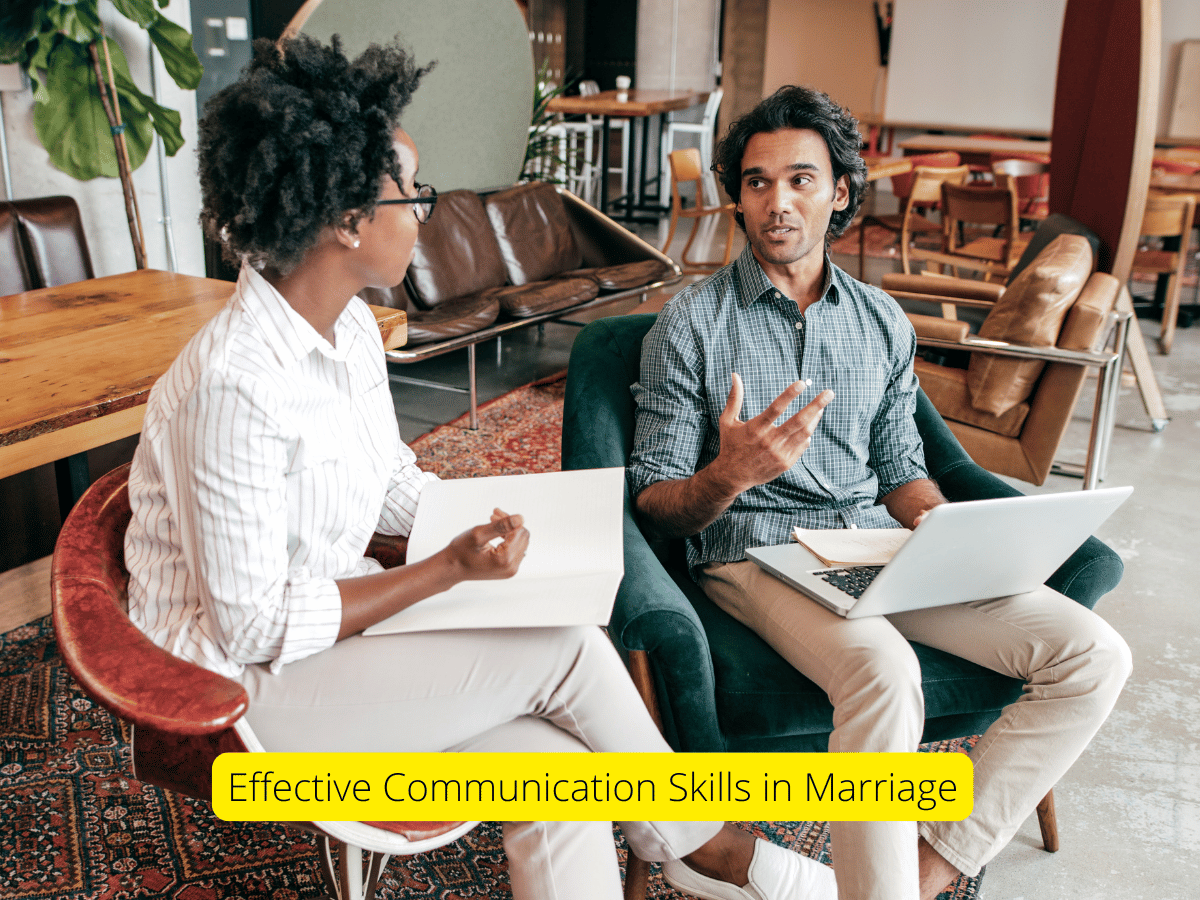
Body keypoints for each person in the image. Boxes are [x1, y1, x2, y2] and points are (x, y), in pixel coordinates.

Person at [123, 35, 838, 900]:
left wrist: (503, 523)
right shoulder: (235, 384)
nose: (425, 213)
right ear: (346, 219)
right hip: (235, 697)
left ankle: (681, 843)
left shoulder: (350, 330)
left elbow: (391, 483)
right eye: (413, 193)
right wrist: (444, 573)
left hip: (324, 644)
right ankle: (707, 846)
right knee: (566, 650)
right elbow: (251, 626)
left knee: (561, 765)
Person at [627, 85, 1132, 900]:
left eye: (800, 179)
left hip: (875, 545)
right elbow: (654, 499)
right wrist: (732, 474)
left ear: (840, 193)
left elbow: (900, 467)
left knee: (1094, 655)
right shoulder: (690, 324)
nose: (777, 202)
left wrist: (941, 526)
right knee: (885, 673)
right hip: (752, 550)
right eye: (757, 182)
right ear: (739, 198)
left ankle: (930, 869)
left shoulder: (883, 321)